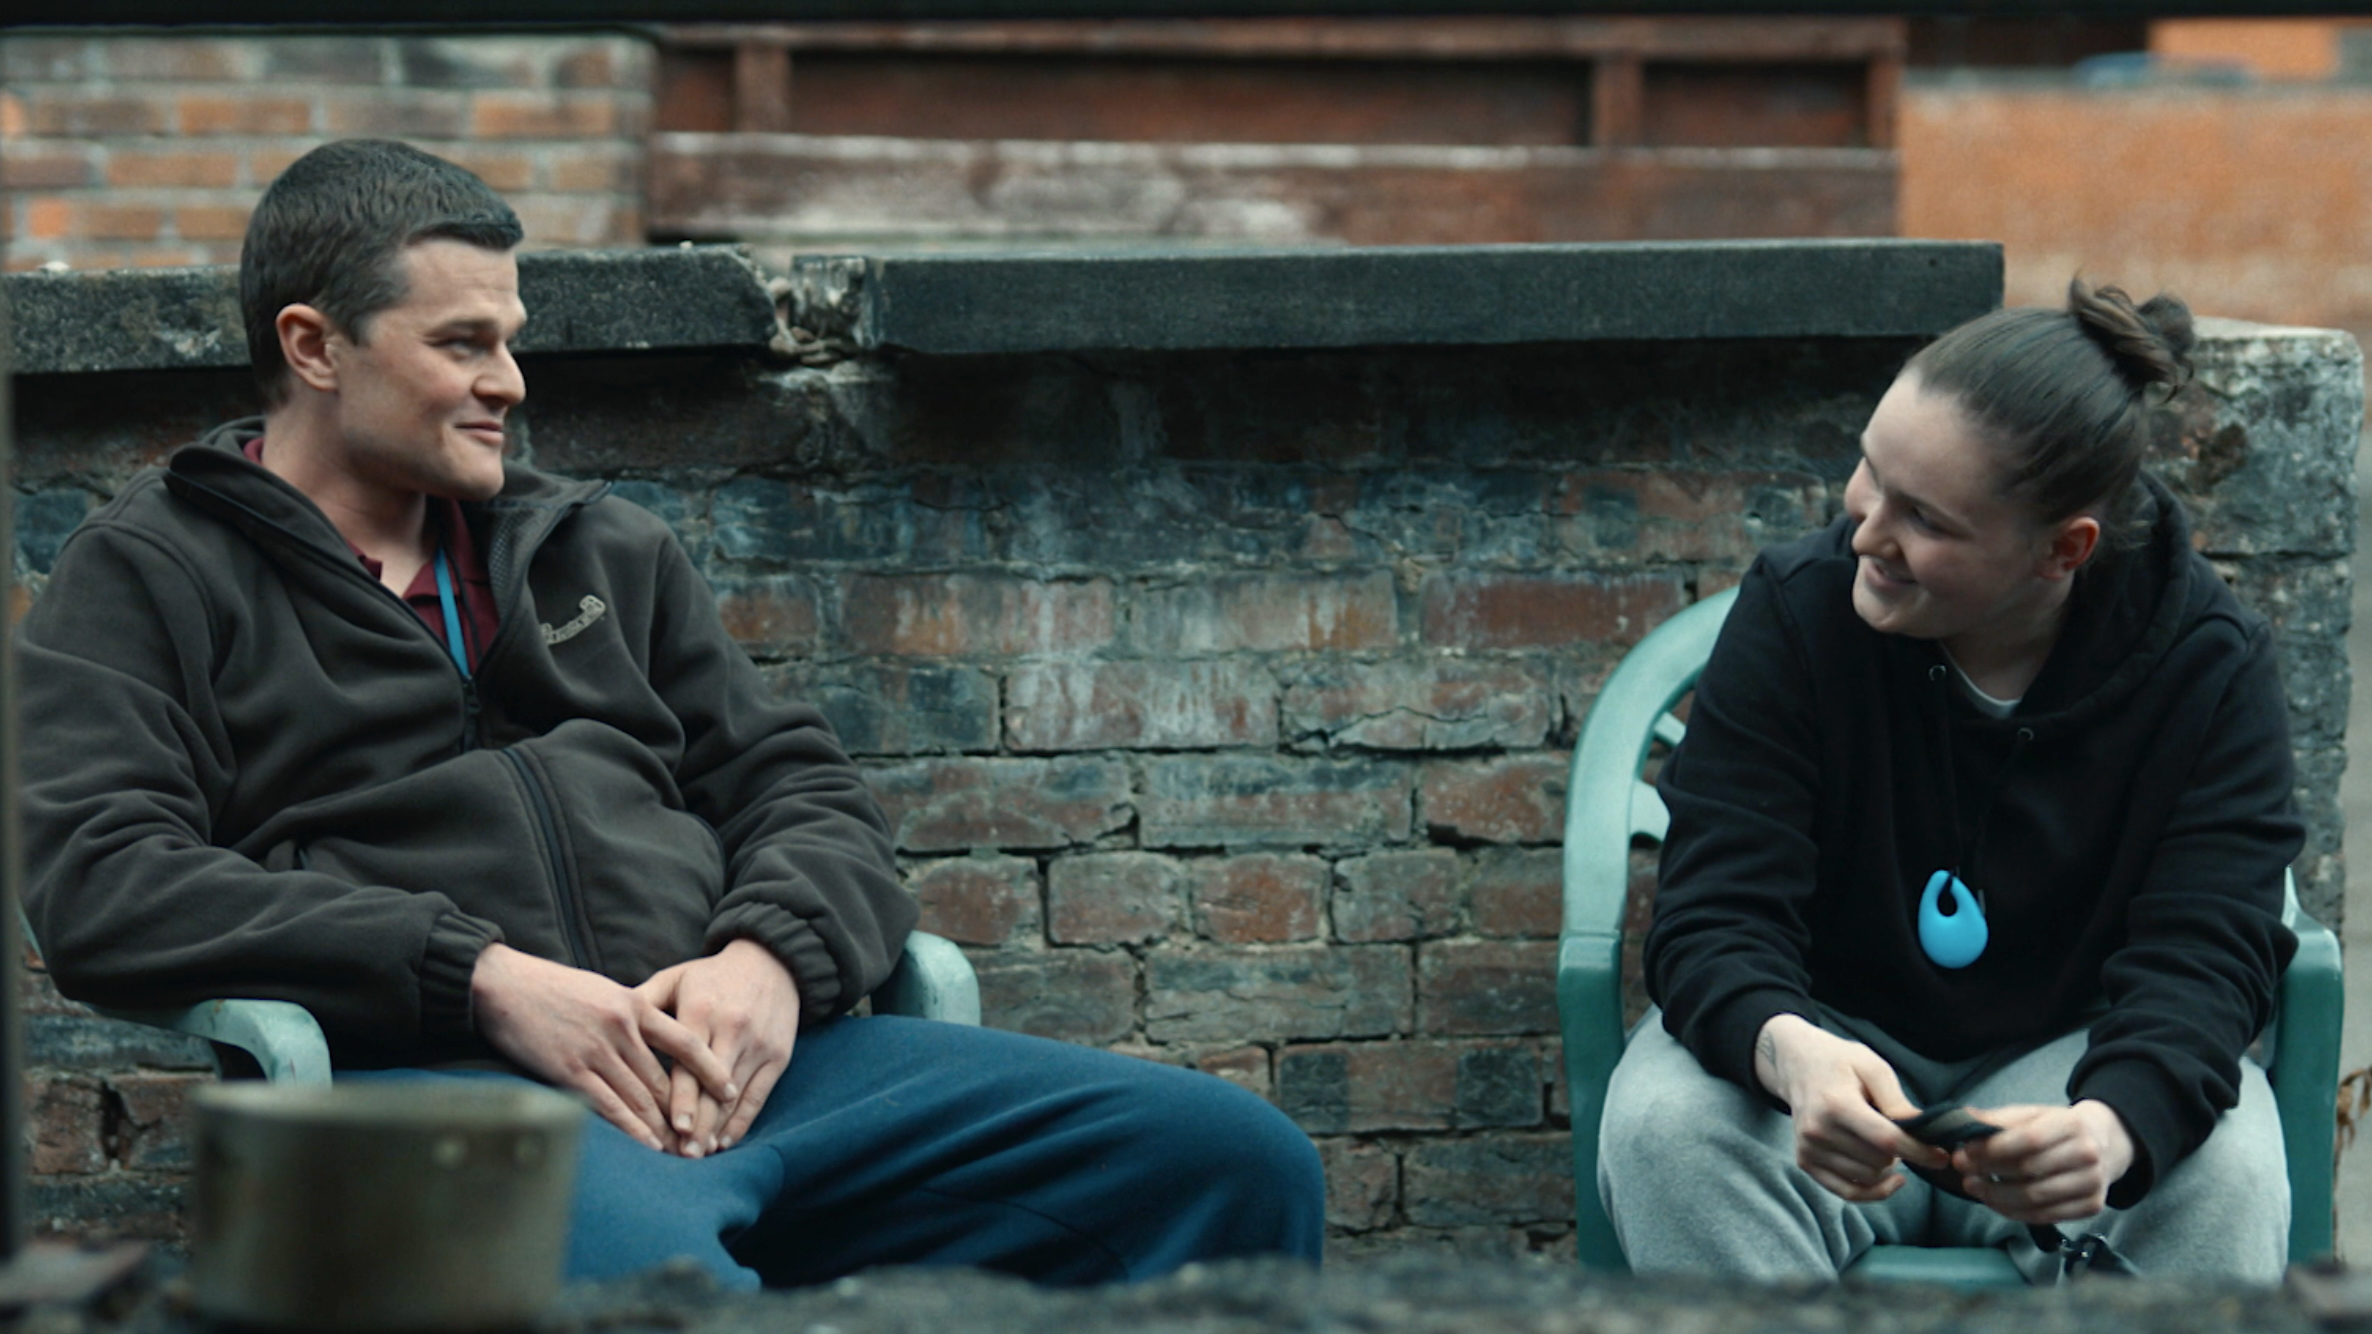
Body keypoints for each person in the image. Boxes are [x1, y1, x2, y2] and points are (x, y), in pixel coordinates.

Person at [17, 138, 1323, 1289]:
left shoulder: (599, 550)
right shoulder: (154, 572)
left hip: (761, 1071)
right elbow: (105, 877)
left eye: (509, 339)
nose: (509, 381)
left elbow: (802, 789)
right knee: (652, 1285)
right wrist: (479, 979)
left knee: (1228, 1161)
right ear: (313, 347)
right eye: (462, 343)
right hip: (452, 1098)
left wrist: (769, 957)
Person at [1597, 280, 2300, 1282]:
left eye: (1922, 517)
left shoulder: (2207, 664)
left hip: (2072, 1065)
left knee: (2225, 1173)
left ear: (2062, 549)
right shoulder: (1795, 614)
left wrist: (2109, 1128)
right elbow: (1712, 910)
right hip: (1826, 1054)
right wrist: (1787, 1049)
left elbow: (2209, 949)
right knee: (1666, 1125)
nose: (1865, 530)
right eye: (1868, 473)